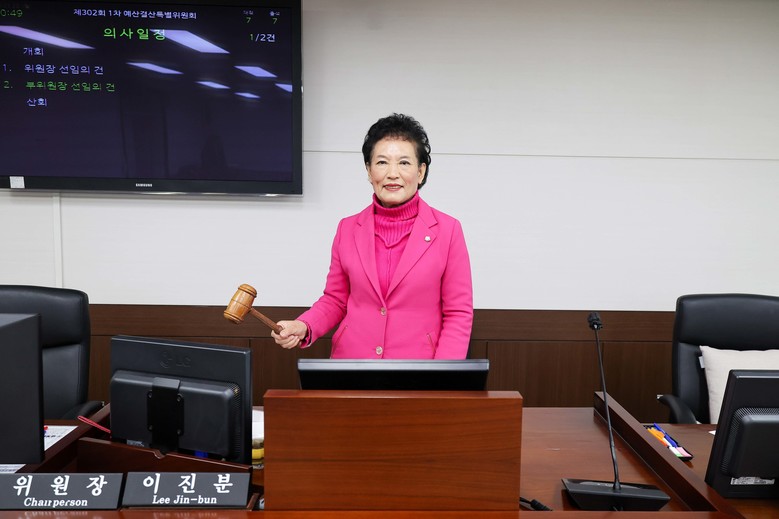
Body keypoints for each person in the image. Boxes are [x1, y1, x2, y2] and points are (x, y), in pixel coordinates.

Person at [272, 113, 473, 359]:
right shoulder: (347, 229)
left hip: (419, 369)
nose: (392, 173)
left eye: (404, 163)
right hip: (352, 365)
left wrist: (442, 374)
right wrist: (304, 325)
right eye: (382, 162)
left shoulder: (448, 231)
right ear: (369, 170)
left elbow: (458, 314)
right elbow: (336, 300)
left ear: (421, 172)